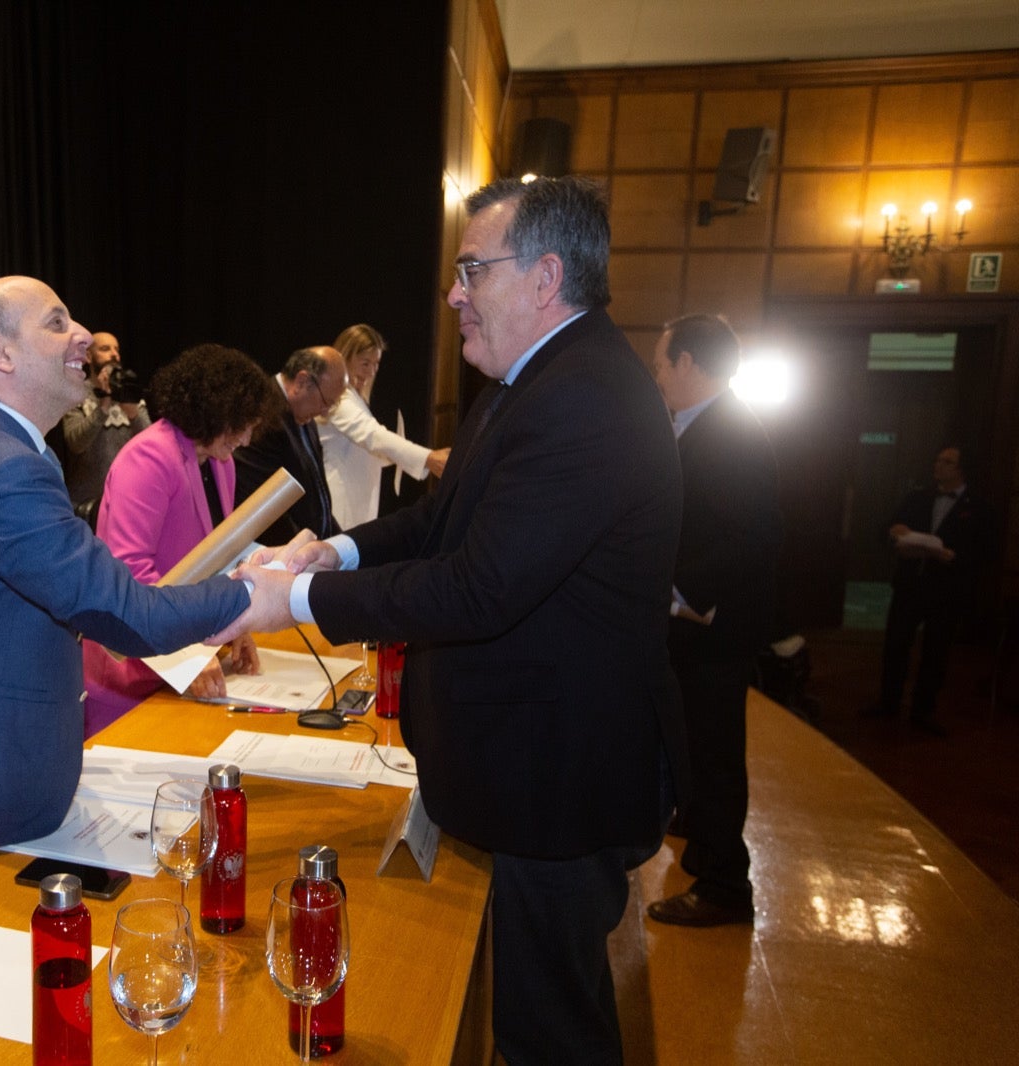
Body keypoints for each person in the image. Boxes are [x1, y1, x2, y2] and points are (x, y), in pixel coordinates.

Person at [215, 176, 686, 1063]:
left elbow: (480, 589)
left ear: (545, 278)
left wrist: (294, 603)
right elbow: (439, 520)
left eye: (473, 269)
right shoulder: (528, 382)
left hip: (559, 780)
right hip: (530, 765)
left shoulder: (584, 399)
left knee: (552, 1031)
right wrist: (334, 555)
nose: (454, 293)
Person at [0, 277, 252, 884]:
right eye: (57, 323)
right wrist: (253, 594)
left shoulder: (4, 449)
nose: (82, 335)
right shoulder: (1, 468)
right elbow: (126, 614)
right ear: (0, 353)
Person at [644, 313, 782, 928]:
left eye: (661, 362)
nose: (657, 373)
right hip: (691, 619)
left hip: (712, 622)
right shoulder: (699, 426)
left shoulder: (731, 433)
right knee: (695, 744)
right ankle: (698, 834)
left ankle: (726, 883)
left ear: (690, 365)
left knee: (716, 752)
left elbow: (745, 537)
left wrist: (680, 591)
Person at [82, 343, 283, 734]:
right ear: (217, 410)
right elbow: (131, 573)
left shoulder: (219, 462)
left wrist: (236, 624)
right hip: (130, 674)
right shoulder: (150, 456)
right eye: (244, 424)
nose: (246, 439)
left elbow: (217, 555)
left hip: (178, 669)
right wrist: (188, 657)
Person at [865, 445, 995, 736]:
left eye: (947, 462)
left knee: (935, 651)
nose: (939, 465)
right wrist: (893, 534)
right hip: (910, 584)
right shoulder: (919, 498)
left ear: (961, 469)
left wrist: (954, 557)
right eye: (937, 460)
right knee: (896, 644)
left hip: (945, 590)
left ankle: (923, 710)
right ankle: (889, 702)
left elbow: (986, 550)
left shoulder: (977, 507)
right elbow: (887, 528)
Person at [319, 324, 449, 528]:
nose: (371, 372)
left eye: (376, 364)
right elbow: (373, 436)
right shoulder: (340, 400)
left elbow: (368, 446)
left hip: (356, 502)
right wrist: (428, 458)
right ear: (344, 358)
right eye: (365, 363)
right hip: (341, 506)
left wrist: (397, 455)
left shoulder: (353, 397)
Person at [233, 345, 348, 544]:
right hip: (280, 554)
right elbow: (265, 507)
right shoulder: (263, 414)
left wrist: (338, 543)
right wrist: (310, 551)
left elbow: (317, 497)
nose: (325, 412)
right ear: (302, 381)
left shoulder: (303, 415)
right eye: (326, 402)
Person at [61, 330, 150, 507]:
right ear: (88, 356)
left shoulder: (131, 394)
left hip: (126, 501)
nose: (114, 354)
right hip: (85, 505)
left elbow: (151, 446)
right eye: (105, 349)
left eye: (116, 349)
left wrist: (133, 414)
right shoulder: (76, 394)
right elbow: (76, 443)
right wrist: (103, 406)